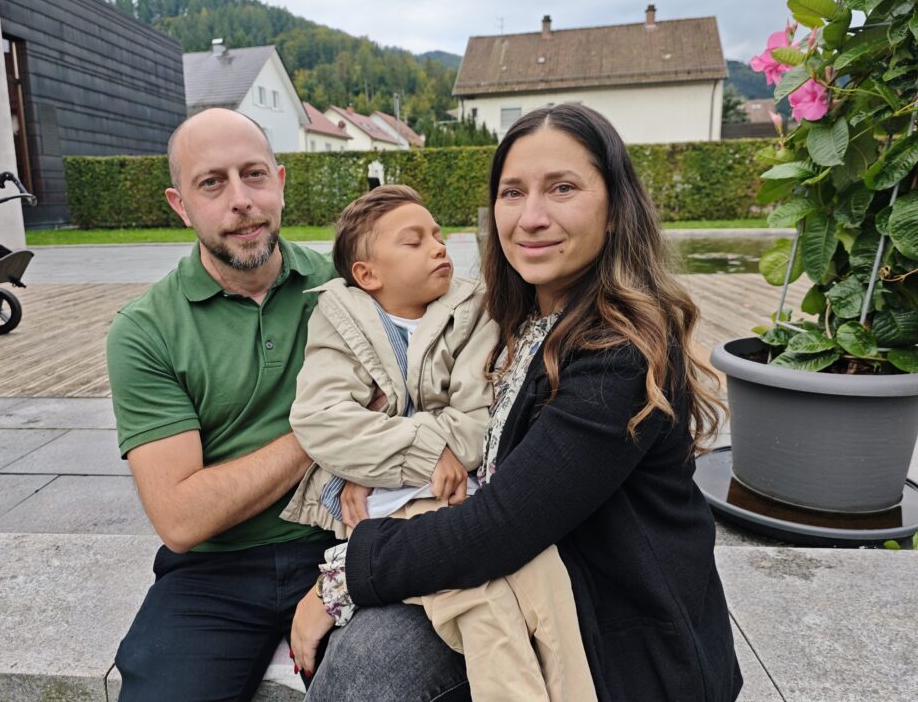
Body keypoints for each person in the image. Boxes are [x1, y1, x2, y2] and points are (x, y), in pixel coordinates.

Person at [291, 103, 744, 701]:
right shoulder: (519, 315)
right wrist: (384, 467)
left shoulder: (619, 352)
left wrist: (341, 576)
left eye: (562, 188)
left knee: (368, 668)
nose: (531, 217)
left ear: (614, 211)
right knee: (365, 659)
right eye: (512, 192)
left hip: (620, 634)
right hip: (534, 579)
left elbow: (499, 526)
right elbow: (441, 415)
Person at [281, 184, 596, 701]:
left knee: (548, 583)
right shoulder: (337, 319)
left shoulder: (473, 312)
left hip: (462, 496)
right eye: (414, 241)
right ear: (368, 274)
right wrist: (428, 450)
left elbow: (477, 423)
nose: (438, 247)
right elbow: (320, 420)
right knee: (482, 604)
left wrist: (389, 443)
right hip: (388, 508)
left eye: (437, 234)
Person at [105, 108, 336, 701]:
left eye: (254, 175)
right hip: (214, 571)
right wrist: (325, 429)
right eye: (212, 183)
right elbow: (182, 519)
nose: (242, 200)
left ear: (280, 183)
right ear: (179, 204)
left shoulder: (350, 286)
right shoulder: (146, 330)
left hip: (343, 544)